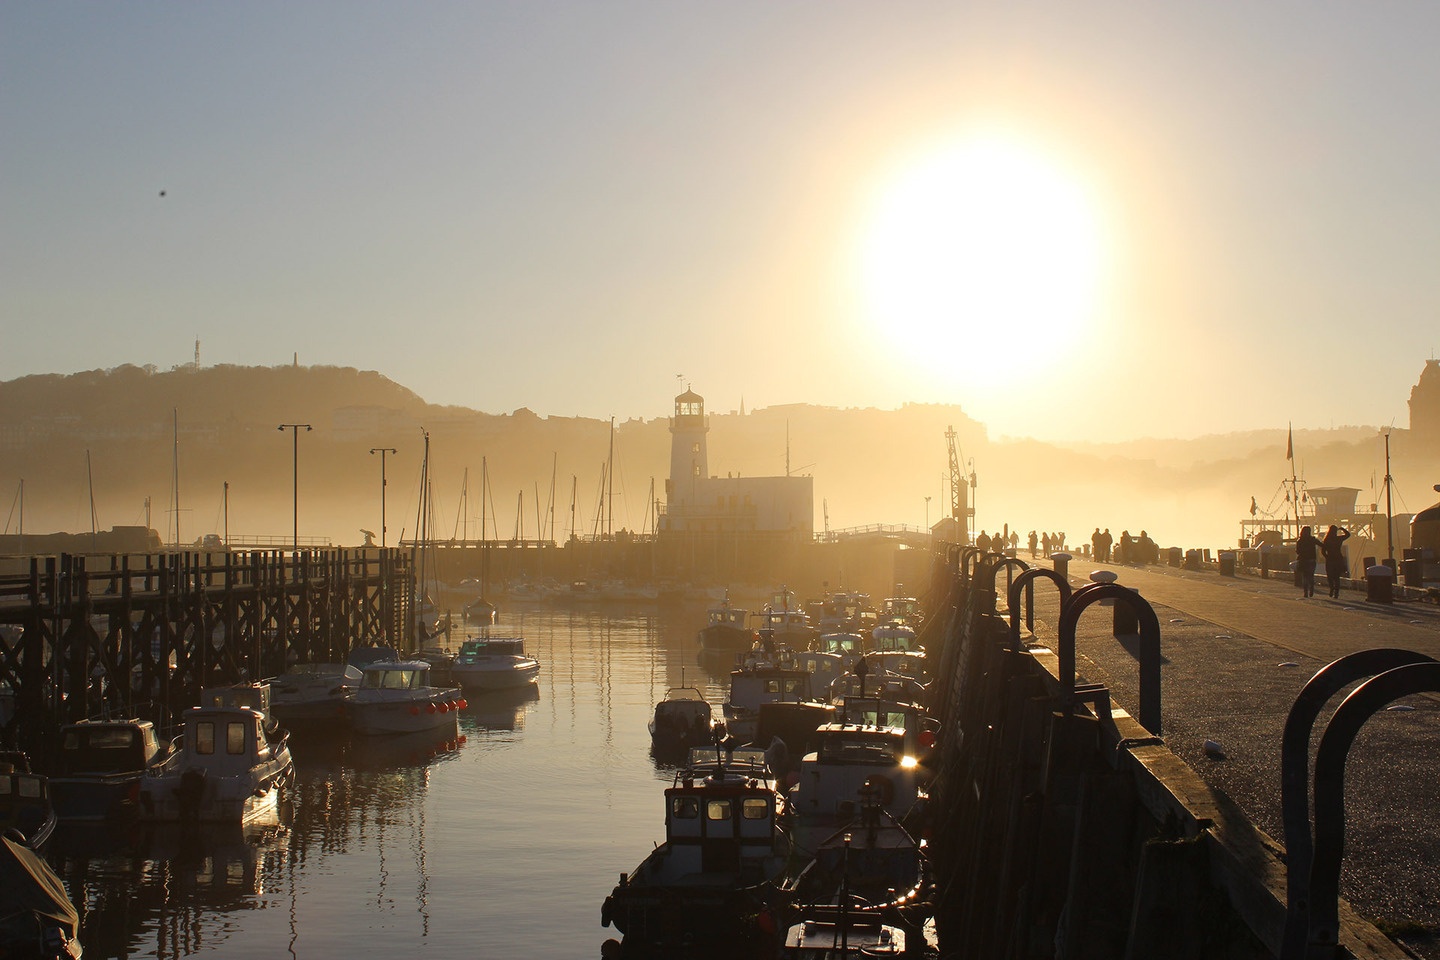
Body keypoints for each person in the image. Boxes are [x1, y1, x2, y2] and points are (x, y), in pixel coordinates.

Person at [1321, 524, 1351, 598]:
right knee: (1337, 577)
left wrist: (1326, 556)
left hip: (1330, 559)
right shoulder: (1338, 539)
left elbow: (1323, 551)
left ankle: (1331, 588)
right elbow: (1348, 535)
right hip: (1338, 559)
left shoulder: (1326, 540)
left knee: (1330, 576)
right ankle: (1336, 592)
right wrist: (1343, 529)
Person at [1295, 525, 1321, 598]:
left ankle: (1305, 592)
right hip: (1311, 560)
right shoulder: (1313, 539)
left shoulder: (1300, 540)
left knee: (1305, 576)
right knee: (1311, 575)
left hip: (1303, 560)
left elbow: (1297, 551)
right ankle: (1311, 589)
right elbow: (1321, 544)